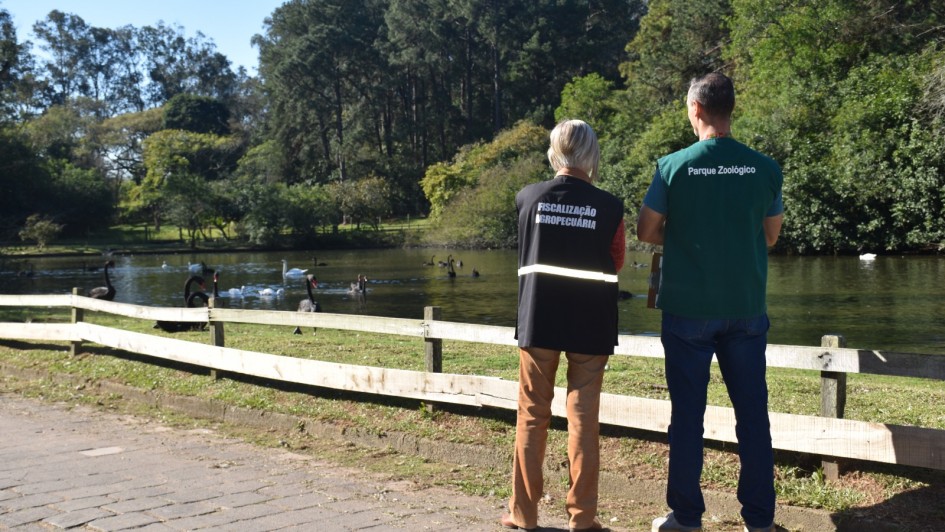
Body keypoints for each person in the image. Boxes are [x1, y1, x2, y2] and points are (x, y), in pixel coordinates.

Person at [636, 72, 784, 532]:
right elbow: (772, 235)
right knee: (753, 418)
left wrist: (679, 234)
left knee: (687, 419)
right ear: (730, 109)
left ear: (696, 109)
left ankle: (686, 517)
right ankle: (759, 520)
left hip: (687, 312)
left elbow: (645, 230)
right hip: (745, 308)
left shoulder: (672, 166)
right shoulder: (765, 167)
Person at [501, 119, 626, 532]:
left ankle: (523, 514)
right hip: (591, 322)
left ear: (555, 151)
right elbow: (618, 261)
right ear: (591, 154)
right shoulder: (610, 206)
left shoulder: (527, 198)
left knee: (532, 415)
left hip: (539, 317)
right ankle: (582, 519)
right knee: (583, 419)